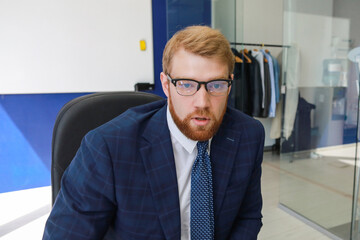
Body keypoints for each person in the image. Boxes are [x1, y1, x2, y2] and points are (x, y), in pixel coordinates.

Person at [43, 25, 265, 240]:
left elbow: (248, 217)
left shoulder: (248, 135)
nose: (202, 102)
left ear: (230, 85)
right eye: (186, 85)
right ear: (166, 85)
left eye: (216, 85)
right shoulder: (107, 148)